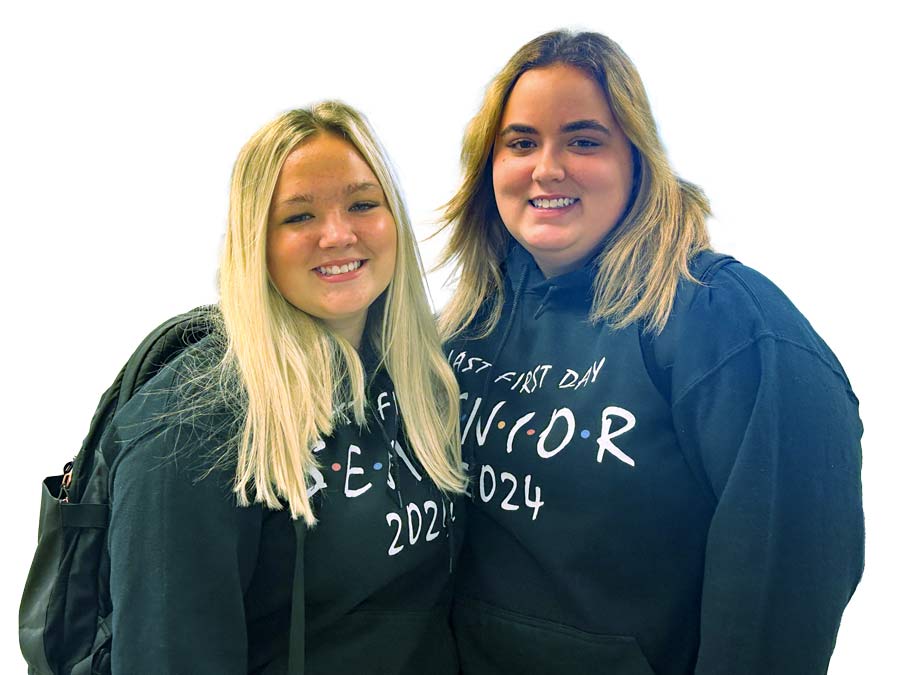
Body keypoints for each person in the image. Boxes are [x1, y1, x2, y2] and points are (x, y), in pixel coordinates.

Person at [438, 30, 864, 675]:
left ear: (638, 159)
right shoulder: (469, 323)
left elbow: (791, 568)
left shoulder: (722, 320)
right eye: (521, 142)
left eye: (584, 140)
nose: (546, 168)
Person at [106, 101, 466, 674]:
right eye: (299, 217)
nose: (338, 235)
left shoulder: (414, 380)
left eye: (363, 204)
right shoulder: (194, 424)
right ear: (256, 243)